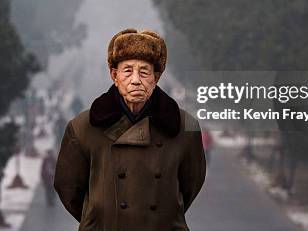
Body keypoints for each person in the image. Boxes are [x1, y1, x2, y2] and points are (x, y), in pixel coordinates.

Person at [54, 28, 206, 230]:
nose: (135, 80)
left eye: (144, 72)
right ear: (114, 76)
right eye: (127, 71)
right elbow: (68, 188)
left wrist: (163, 215)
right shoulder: (83, 127)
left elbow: (190, 186)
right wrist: (98, 217)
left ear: (156, 77)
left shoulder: (185, 128)